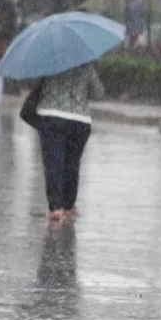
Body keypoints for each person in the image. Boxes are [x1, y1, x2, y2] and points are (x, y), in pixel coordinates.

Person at [35, 63, 105, 222]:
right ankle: (68, 205)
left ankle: (55, 208)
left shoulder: (49, 63)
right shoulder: (85, 65)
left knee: (53, 164)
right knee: (72, 165)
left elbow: (35, 85)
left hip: (52, 116)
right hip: (79, 121)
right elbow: (99, 93)